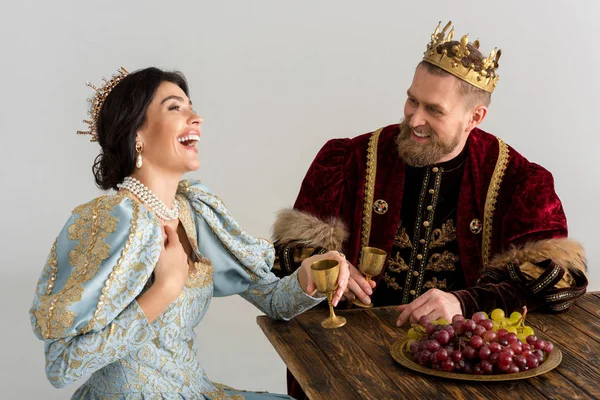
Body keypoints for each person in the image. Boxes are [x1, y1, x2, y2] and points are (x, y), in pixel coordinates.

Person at [271, 22, 588, 399]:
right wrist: (325, 265)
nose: (414, 119)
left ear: (475, 118)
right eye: (412, 101)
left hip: (463, 368)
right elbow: (282, 258)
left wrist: (464, 302)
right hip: (351, 360)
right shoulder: (347, 160)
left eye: (434, 110)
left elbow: (562, 280)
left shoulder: (520, 181)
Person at [29, 66, 349, 400]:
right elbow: (62, 367)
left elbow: (273, 300)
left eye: (191, 107)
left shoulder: (194, 210)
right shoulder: (110, 221)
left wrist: (307, 276)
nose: (196, 118)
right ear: (136, 133)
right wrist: (164, 289)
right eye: (174, 107)